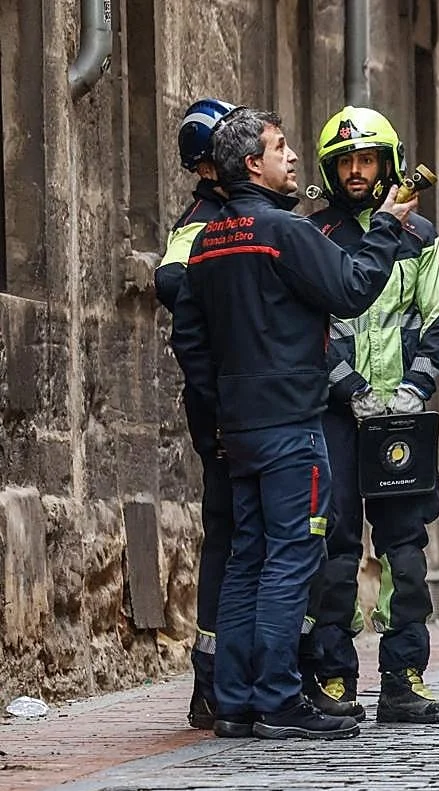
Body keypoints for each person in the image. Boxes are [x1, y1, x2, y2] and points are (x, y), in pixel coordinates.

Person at [170, 108, 418, 740]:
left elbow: (190, 340)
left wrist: (218, 415)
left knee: (247, 558)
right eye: (281, 148)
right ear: (253, 162)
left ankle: (232, 699)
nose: (293, 159)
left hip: (239, 427)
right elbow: (355, 287)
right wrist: (388, 225)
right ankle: (278, 697)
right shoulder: (283, 231)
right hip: (291, 425)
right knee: (291, 558)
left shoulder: (206, 241)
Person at [307, 106, 439, 724]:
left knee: (404, 549)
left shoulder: (420, 237)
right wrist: (349, 389)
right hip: (340, 418)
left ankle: (403, 677)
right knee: (337, 547)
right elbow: (311, 329)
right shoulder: (314, 239)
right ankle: (334, 677)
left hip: (401, 419)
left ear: (387, 164)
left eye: (366, 159)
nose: (355, 171)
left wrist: (411, 392)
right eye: (345, 161)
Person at [154, 97, 238, 730]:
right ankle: (212, 680)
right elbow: (171, 283)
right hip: (225, 410)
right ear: (210, 163)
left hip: (243, 404)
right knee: (234, 535)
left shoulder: (235, 214)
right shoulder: (205, 218)